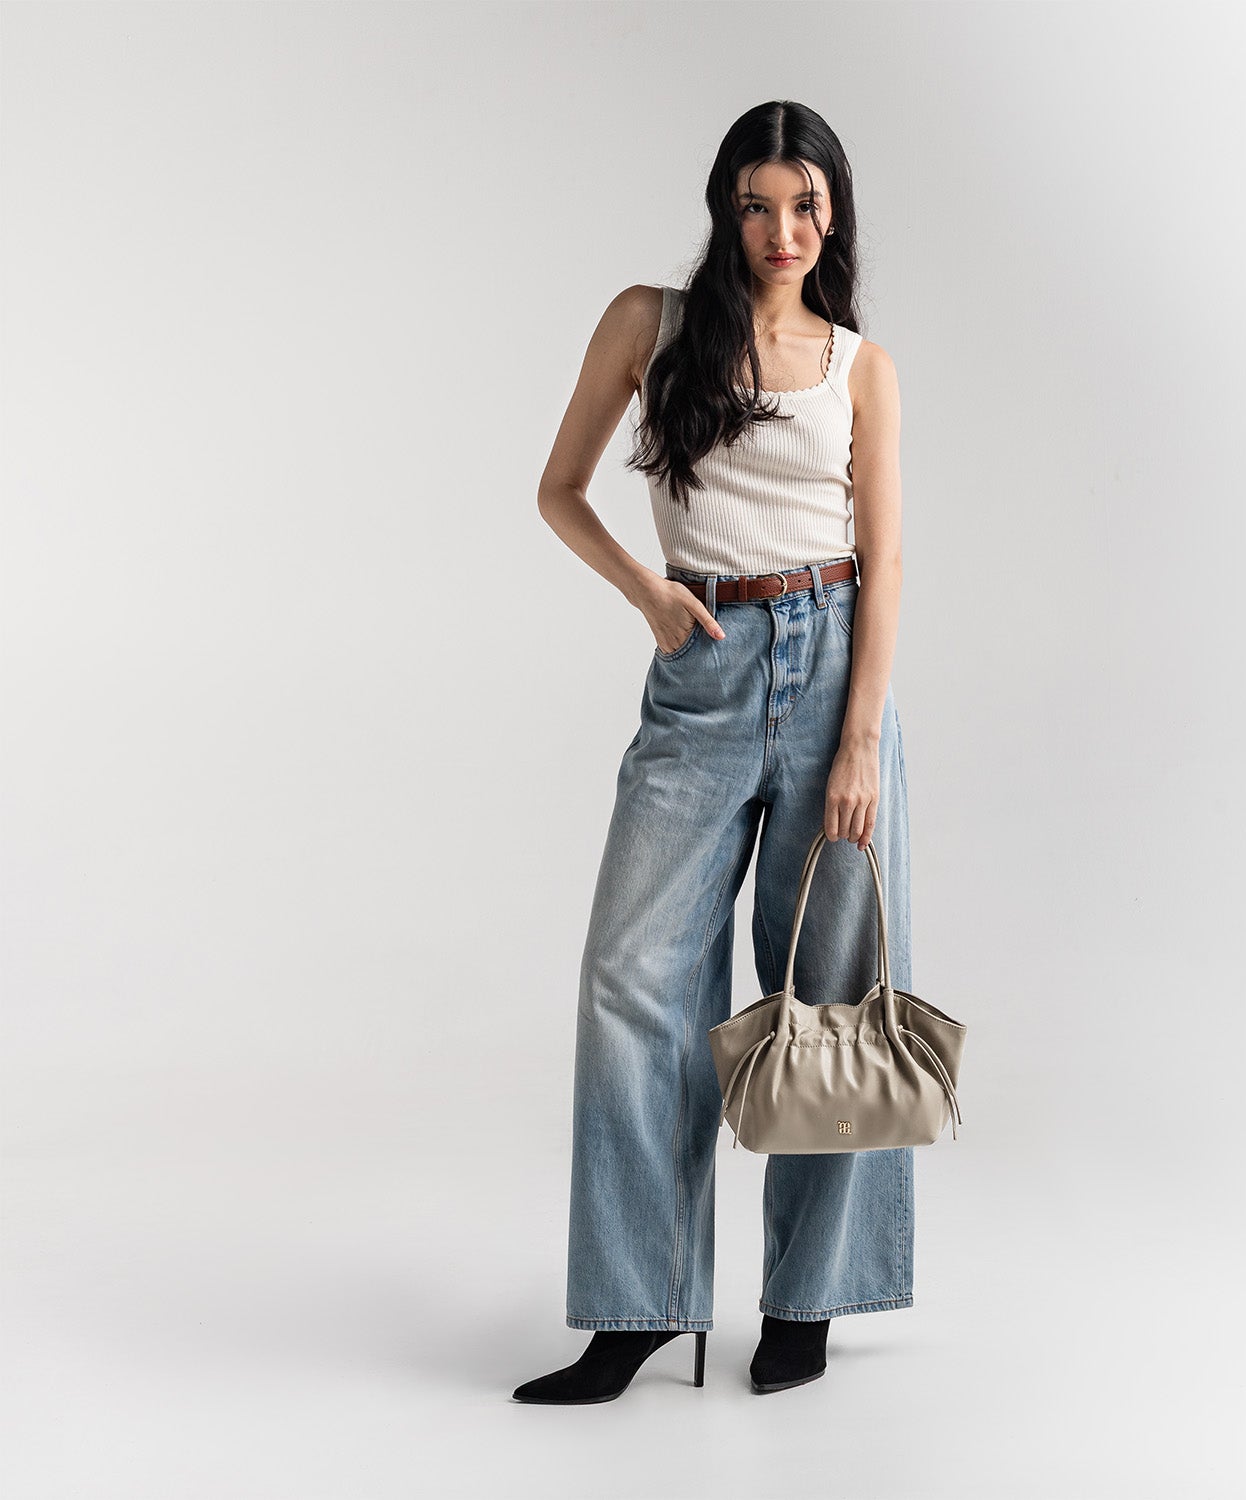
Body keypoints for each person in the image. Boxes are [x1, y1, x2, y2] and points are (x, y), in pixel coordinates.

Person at [513, 100, 913, 1404]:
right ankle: (640, 1304)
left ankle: (808, 1298)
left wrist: (859, 742)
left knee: (829, 990)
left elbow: (886, 560)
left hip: (833, 667)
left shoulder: (859, 366)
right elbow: (560, 489)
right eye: (756, 205)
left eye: (804, 206)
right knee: (634, 980)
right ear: (724, 210)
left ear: (833, 217)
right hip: (702, 667)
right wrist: (647, 590)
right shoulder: (653, 325)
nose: (781, 231)